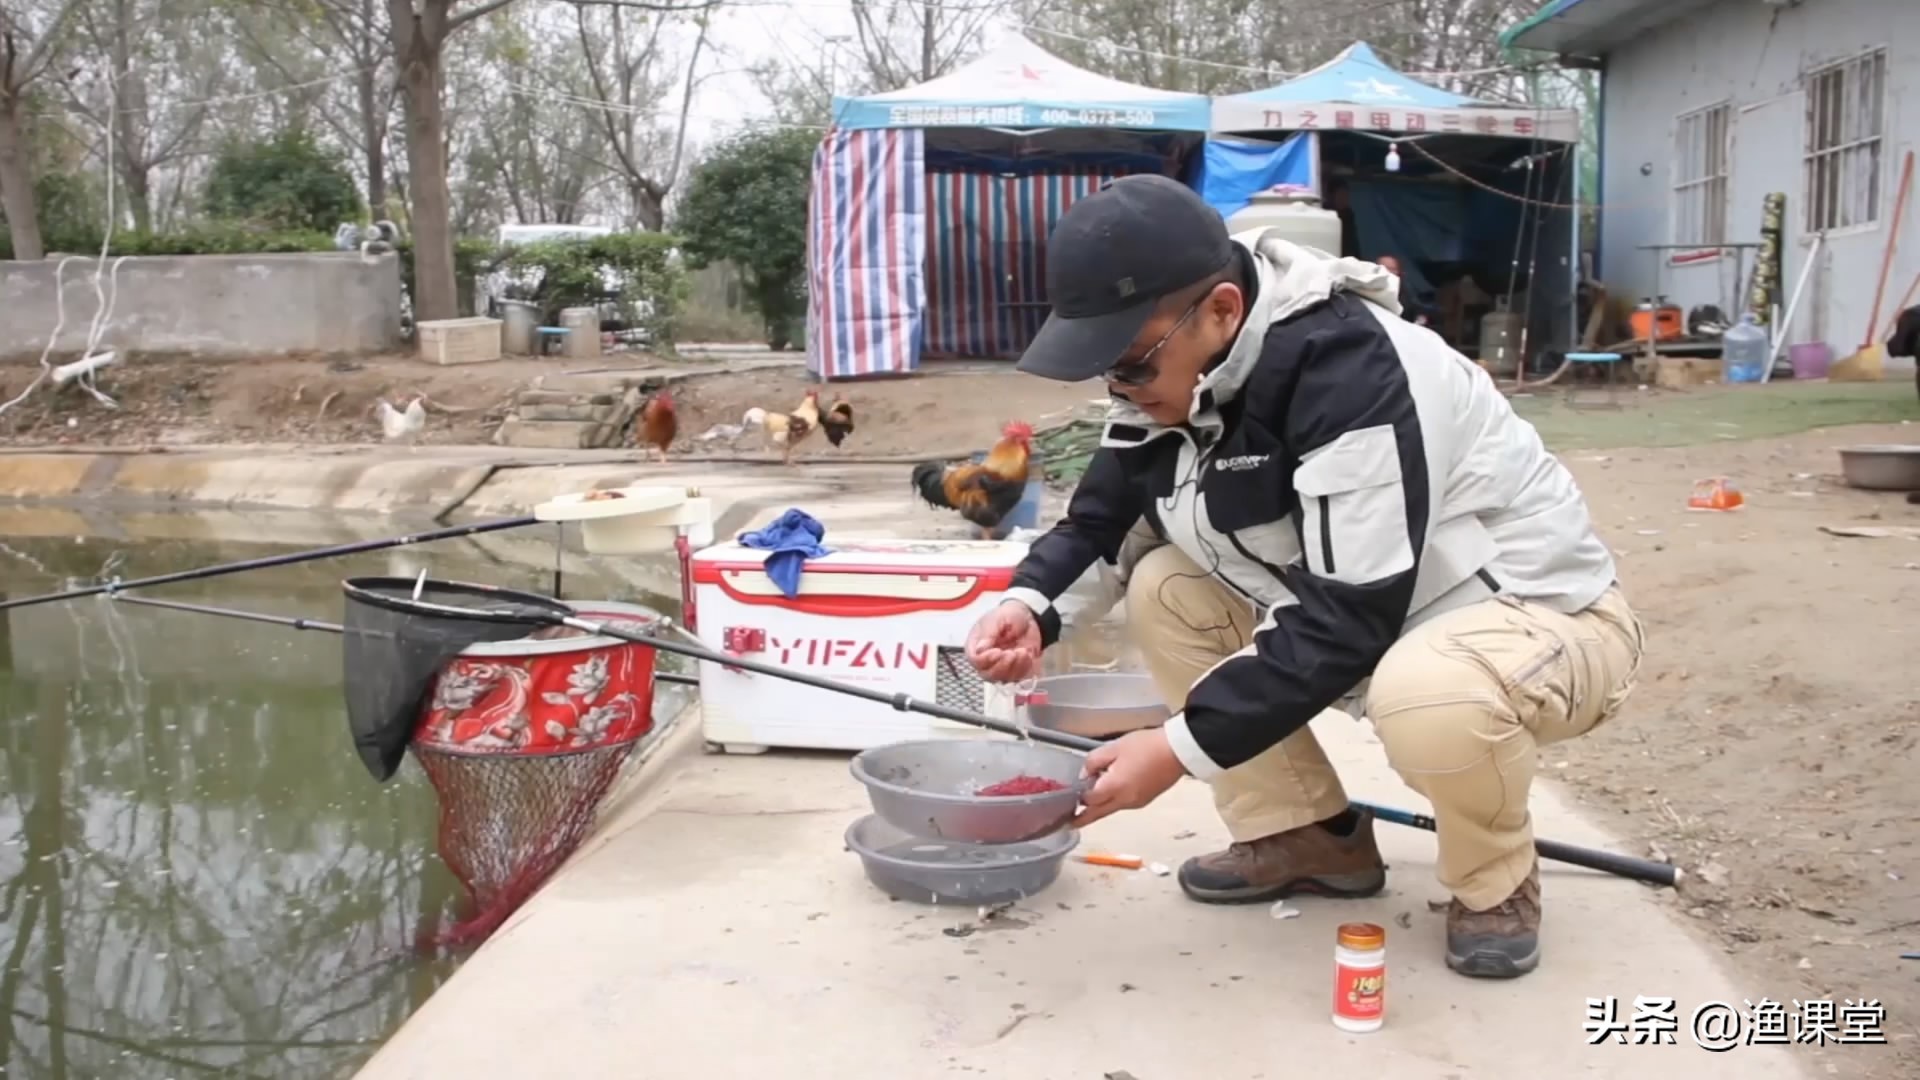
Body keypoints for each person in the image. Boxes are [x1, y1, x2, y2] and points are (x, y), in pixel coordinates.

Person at [963, 174, 1645, 980]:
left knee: (1426, 693)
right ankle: (1306, 837)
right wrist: (1030, 608)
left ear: (1221, 310)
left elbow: (1348, 613)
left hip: (1544, 622)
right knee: (1168, 587)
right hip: (1387, 616)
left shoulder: (1349, 373)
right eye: (1106, 372)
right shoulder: (1169, 366)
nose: (1122, 391)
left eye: (1132, 366)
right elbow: (1103, 519)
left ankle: (1494, 881)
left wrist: (1177, 749)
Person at [1375, 253, 1429, 326]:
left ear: (1401, 275)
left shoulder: (1410, 305)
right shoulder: (1362, 298)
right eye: (1380, 268)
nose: (1384, 273)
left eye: (1390, 269)